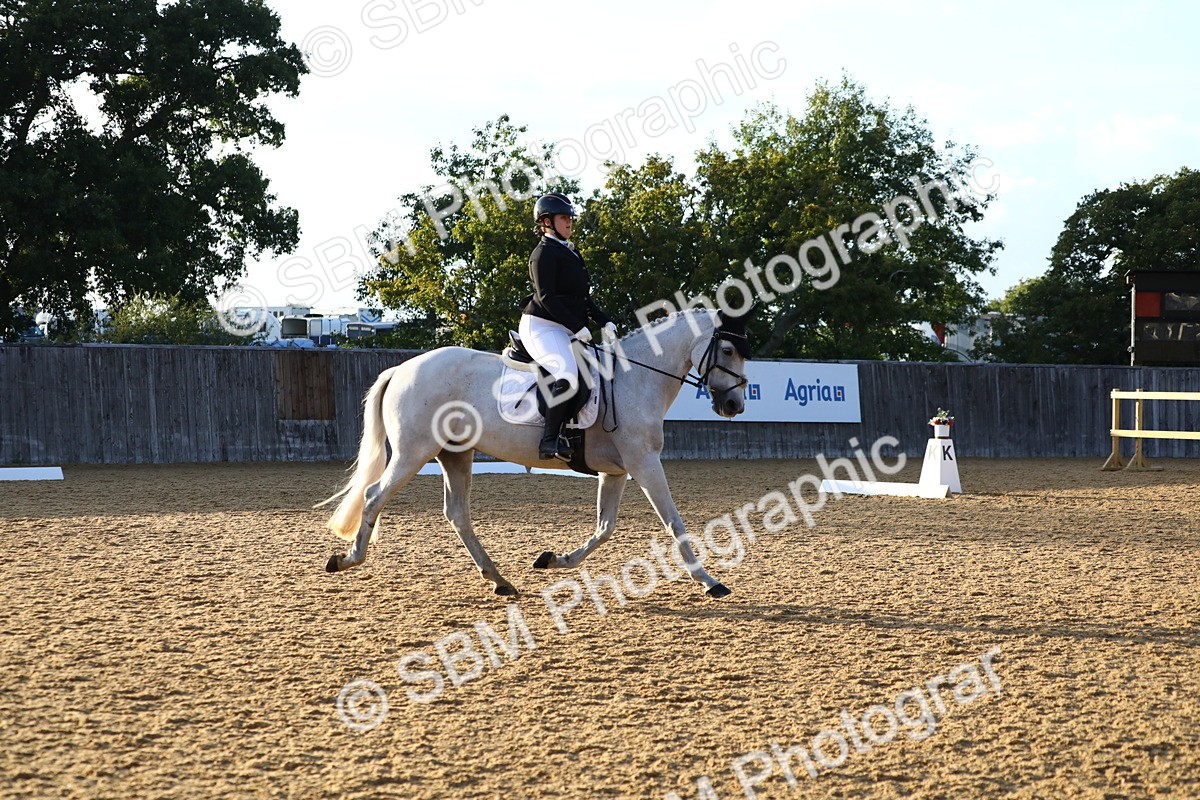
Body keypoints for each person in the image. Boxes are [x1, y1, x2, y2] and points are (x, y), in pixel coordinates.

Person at [519, 193, 617, 461]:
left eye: (570, 218)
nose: (570, 222)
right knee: (567, 374)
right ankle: (548, 441)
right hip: (540, 326)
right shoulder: (542, 254)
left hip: (564, 326)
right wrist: (576, 327)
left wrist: (603, 319)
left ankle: (569, 434)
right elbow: (547, 297)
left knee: (589, 379)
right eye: (564, 218)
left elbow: (582, 297)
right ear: (546, 222)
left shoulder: (570, 251)